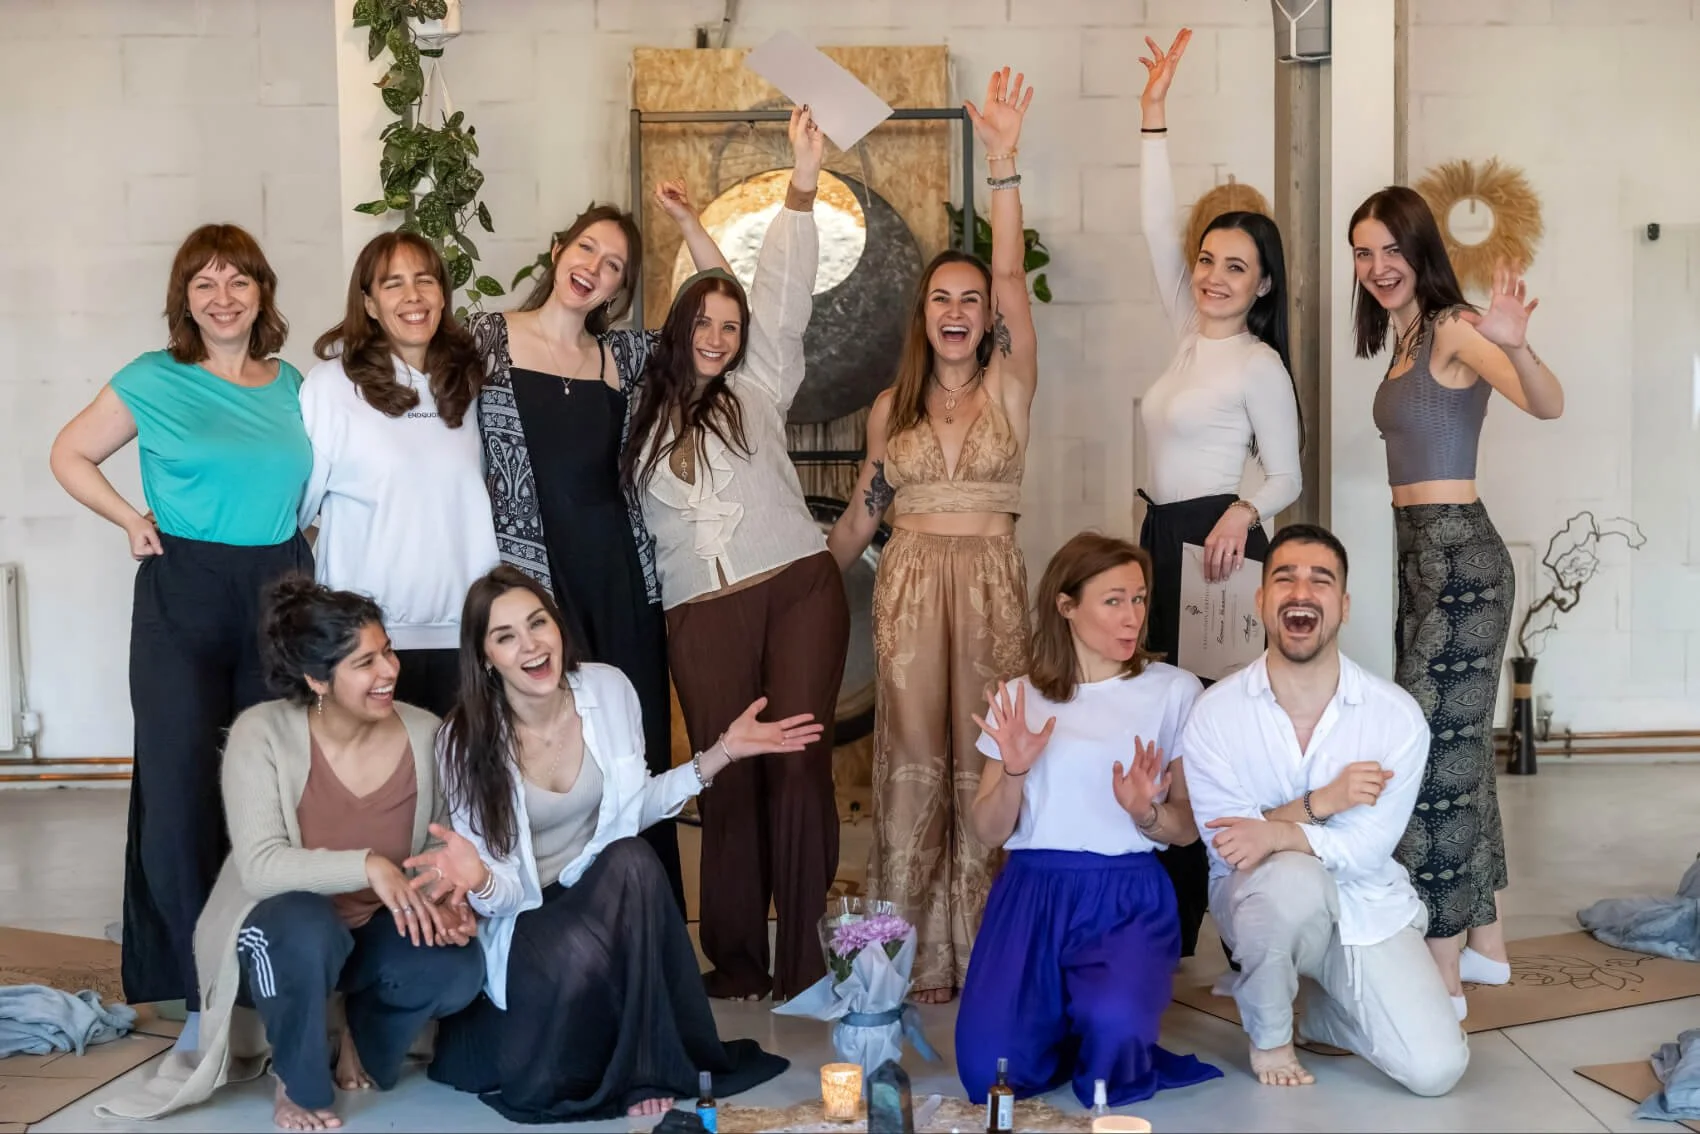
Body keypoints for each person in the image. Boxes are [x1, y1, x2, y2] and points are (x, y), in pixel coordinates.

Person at [49, 224, 313, 1049]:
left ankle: (266, 968)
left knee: (270, 787)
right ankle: (193, 986)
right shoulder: (151, 379)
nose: (223, 295)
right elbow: (68, 453)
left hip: (278, 589)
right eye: (205, 283)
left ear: (262, 292)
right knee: (177, 785)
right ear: (184, 300)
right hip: (183, 589)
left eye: (238, 280)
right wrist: (130, 519)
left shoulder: (292, 384)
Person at [407, 566, 798, 1121]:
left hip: (603, 896)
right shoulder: (462, 739)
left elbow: (631, 809)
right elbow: (500, 897)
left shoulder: (608, 689)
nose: (530, 645)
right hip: (529, 920)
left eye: (537, 623)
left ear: (557, 624)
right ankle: (617, 1052)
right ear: (484, 657)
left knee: (632, 860)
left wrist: (721, 754)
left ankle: (645, 1064)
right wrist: (478, 879)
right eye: (505, 636)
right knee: (622, 878)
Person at [95, 578, 484, 1129]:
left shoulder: (427, 734)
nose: (389, 671)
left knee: (457, 966)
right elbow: (261, 867)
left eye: (387, 651)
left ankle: (359, 1035)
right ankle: (297, 1083)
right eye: (365, 662)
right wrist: (367, 864)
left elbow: (429, 854)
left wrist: (441, 906)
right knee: (303, 923)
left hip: (371, 929)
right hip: (280, 934)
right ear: (317, 679)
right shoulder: (262, 734)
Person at [622, 105, 850, 1003]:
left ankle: (804, 963)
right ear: (678, 329)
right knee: (730, 775)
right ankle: (739, 961)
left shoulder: (760, 383)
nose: (718, 335)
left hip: (795, 587)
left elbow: (776, 293)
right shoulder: (633, 405)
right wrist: (688, 233)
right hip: (698, 611)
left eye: (728, 325)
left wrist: (801, 179)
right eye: (702, 323)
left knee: (795, 763)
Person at [827, 66, 1041, 1003]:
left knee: (984, 756)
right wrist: (795, 588)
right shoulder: (889, 409)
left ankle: (986, 948)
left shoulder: (1009, 389)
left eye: (970, 300)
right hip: (911, 585)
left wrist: (1003, 163)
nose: (957, 312)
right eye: (940, 301)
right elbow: (862, 518)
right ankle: (906, 958)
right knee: (911, 764)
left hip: (991, 579)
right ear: (922, 320)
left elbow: (1009, 275)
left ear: (987, 317)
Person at [470, 189, 733, 913]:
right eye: (586, 248)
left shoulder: (627, 355)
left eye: (614, 264)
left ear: (619, 288)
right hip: (532, 582)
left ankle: (643, 918)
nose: (595, 267)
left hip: (621, 575)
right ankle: (548, 921)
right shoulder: (485, 336)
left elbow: (723, 303)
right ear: (560, 251)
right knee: (543, 739)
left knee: (629, 745)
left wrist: (688, 223)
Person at [1350, 186, 1564, 1009]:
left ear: (1421, 250)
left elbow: (1546, 403)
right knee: (1458, 752)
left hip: (1462, 563)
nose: (1376, 268)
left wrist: (1517, 344)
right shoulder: (1404, 338)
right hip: (1420, 563)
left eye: (1390, 250)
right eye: (1363, 253)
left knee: (1434, 762)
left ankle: (1442, 982)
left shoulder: (1450, 328)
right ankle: (1487, 947)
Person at [1182, 524, 1470, 1095]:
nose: (1301, 592)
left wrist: (1279, 829)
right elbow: (1236, 848)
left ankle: (1326, 1012)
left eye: (1321, 580)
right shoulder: (1215, 714)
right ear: (1261, 599)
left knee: (1437, 1072)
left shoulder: (1394, 716)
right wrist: (1326, 803)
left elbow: (1365, 854)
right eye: (1283, 578)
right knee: (1285, 880)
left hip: (1368, 906)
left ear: (1342, 604)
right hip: (1264, 906)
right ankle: (1271, 1039)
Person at [1135, 28, 1303, 959]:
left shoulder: (1258, 361)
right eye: (1208, 259)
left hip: (1220, 550)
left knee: (1211, 743)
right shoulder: (1187, 335)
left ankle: (1231, 930)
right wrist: (1155, 118)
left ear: (1262, 283)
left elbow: (1290, 473)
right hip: (1163, 541)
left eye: (1235, 266)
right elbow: (1157, 229)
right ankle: (1171, 927)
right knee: (1169, 729)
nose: (1211, 274)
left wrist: (1244, 509)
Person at [954, 533, 1223, 1108]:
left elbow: (1186, 829)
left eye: (1140, 599)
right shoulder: (1018, 696)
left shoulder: (1175, 690)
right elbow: (987, 831)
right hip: (1030, 894)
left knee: (1109, 1075)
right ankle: (1069, 1017)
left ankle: (1095, 1017)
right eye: (1114, 600)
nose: (1133, 617)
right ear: (1066, 605)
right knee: (988, 1077)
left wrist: (1145, 812)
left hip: (1126, 899)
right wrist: (1018, 771)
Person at [299, 232, 498, 717]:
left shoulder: (471, 383)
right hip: (365, 640)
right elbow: (297, 513)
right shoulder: (331, 386)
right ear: (368, 303)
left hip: (464, 634)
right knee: (376, 788)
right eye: (393, 284)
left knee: (458, 787)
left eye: (424, 280)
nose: (413, 296)